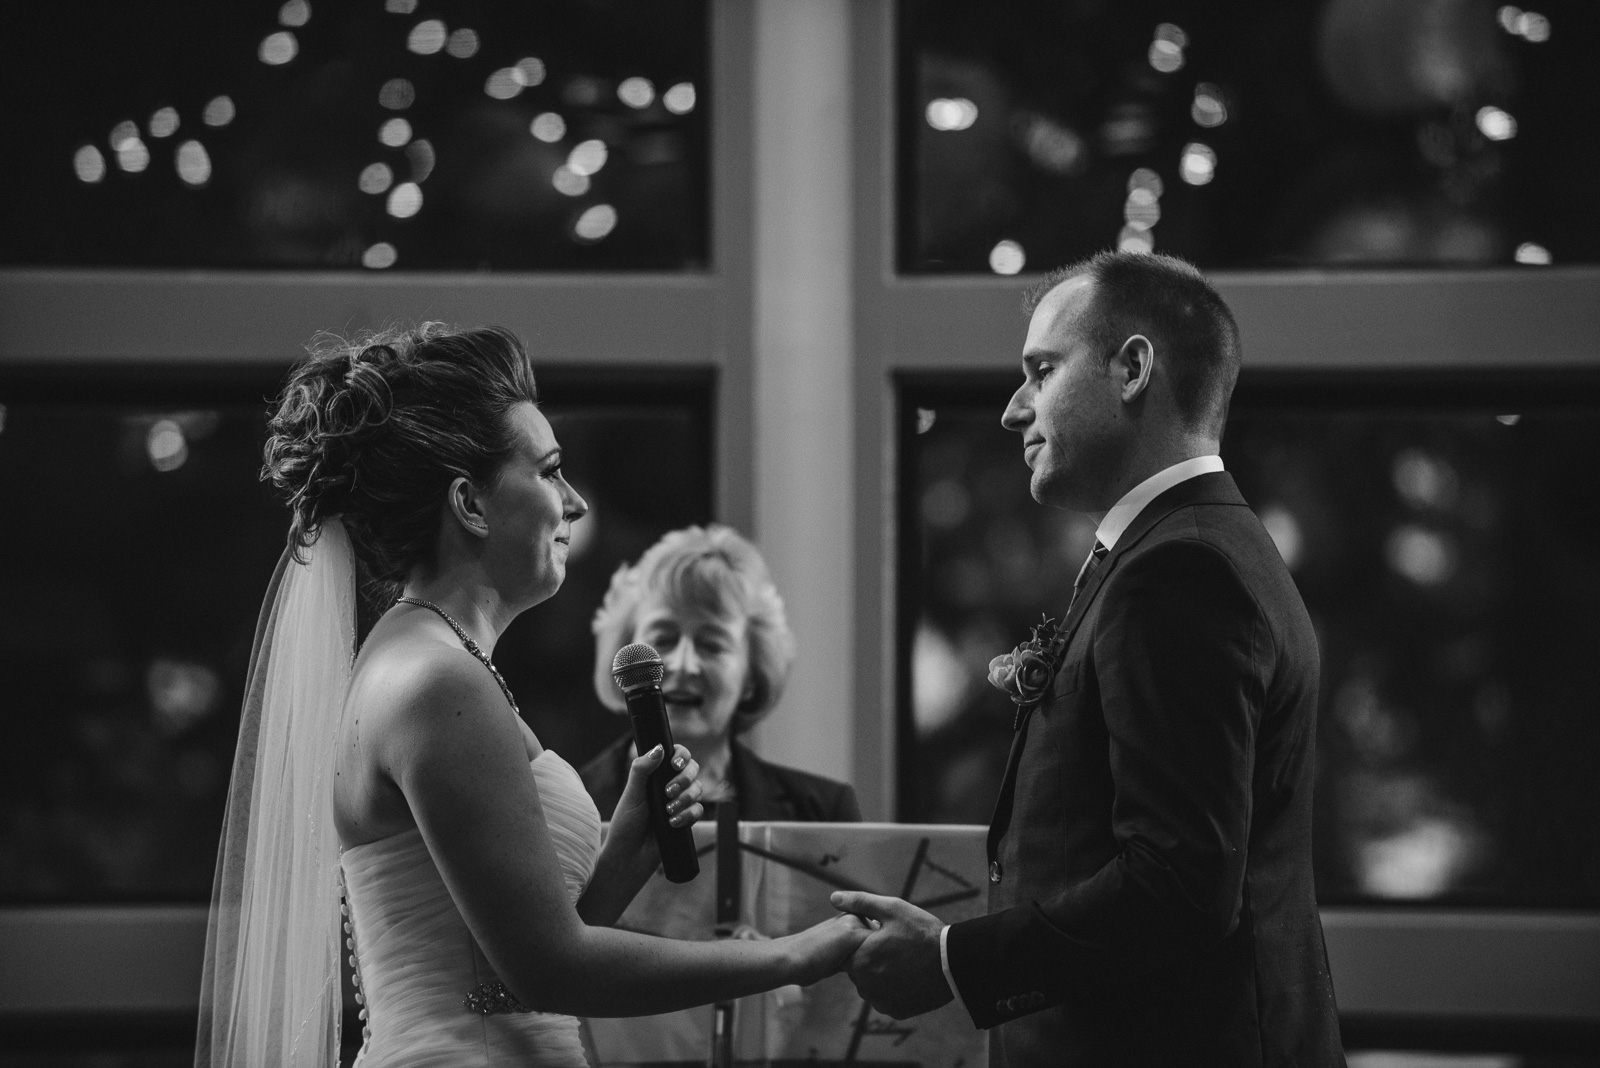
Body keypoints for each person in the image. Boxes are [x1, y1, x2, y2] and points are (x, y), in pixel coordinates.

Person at [194, 324, 868, 1068]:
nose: (574, 503)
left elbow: (505, 977)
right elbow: (550, 971)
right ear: (471, 505)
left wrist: (618, 857)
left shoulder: (432, 660)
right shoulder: (436, 680)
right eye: (548, 472)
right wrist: (798, 954)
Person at [831, 252, 1346, 1066]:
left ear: (1133, 367)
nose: (1013, 410)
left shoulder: (1182, 572)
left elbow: (1177, 887)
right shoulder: (1196, 547)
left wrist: (951, 964)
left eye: (1041, 370)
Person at [581, 525, 861, 822]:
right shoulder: (570, 804)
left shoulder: (822, 812)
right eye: (663, 639)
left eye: (711, 644)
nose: (683, 665)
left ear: (752, 676)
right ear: (624, 657)